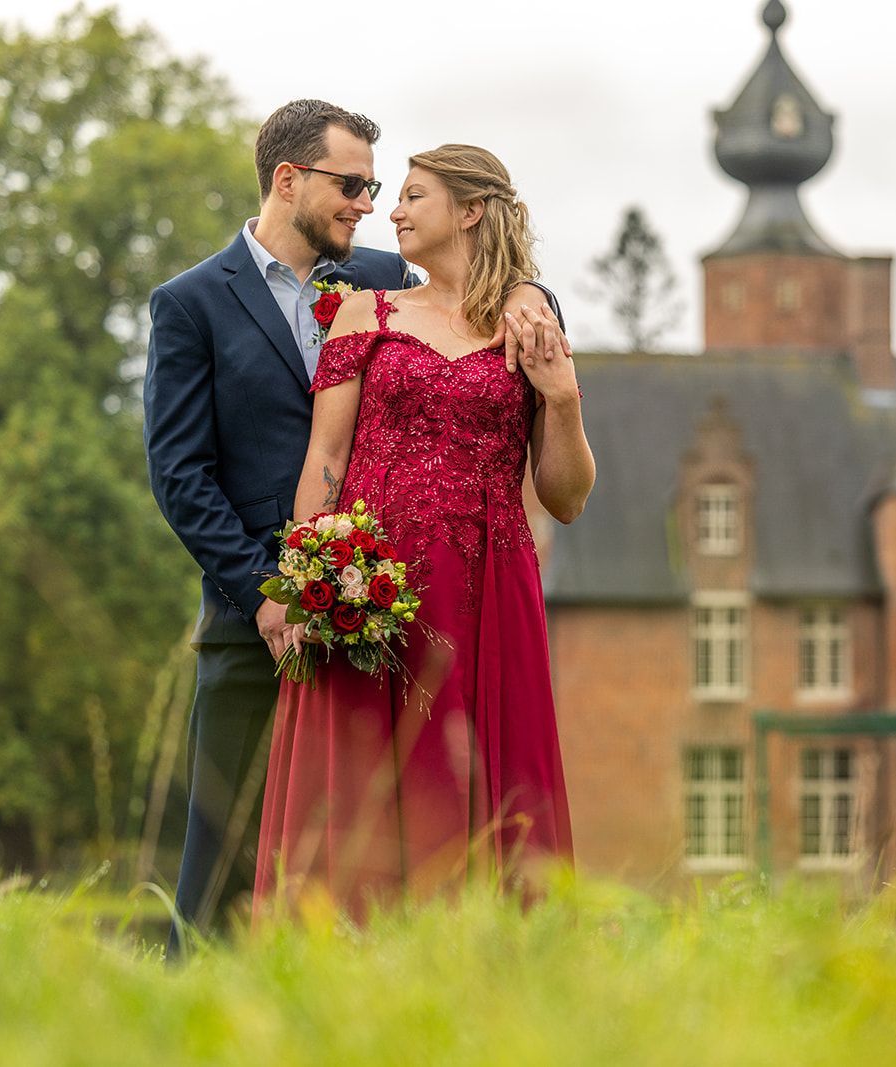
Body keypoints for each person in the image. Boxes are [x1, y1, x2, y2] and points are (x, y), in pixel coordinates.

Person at [144, 103, 564, 952]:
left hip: (388, 615)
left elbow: (486, 283)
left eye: (376, 187)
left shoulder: (381, 278)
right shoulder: (191, 303)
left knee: (375, 841)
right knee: (223, 855)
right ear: (288, 180)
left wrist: (524, 289)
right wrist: (274, 595)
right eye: (351, 185)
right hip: (253, 616)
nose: (368, 205)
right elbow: (180, 476)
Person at [253, 144, 593, 916]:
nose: (390, 211)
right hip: (373, 585)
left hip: (488, 587)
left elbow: (566, 498)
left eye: (411, 195)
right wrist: (313, 577)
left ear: (470, 210)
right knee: (361, 778)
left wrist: (562, 398)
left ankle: (493, 961)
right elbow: (326, 462)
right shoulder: (363, 311)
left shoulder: (531, 325)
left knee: (485, 769)